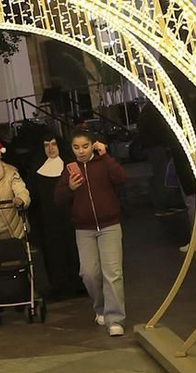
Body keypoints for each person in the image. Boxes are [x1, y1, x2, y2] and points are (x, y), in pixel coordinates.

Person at [57, 128, 128, 335]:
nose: (81, 151)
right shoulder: (69, 169)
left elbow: (121, 178)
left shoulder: (103, 163)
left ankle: (115, 319)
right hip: (84, 229)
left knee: (113, 273)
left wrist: (106, 156)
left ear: (93, 145)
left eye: (85, 146)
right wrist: (69, 187)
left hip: (110, 226)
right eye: (76, 147)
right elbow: (58, 199)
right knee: (89, 274)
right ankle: (101, 308)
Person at [32, 135, 81, 298]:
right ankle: (59, 286)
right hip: (48, 221)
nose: (51, 148)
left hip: (71, 218)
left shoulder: (70, 167)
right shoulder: (36, 171)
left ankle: (80, 285)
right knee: (54, 253)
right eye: (46, 145)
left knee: (74, 250)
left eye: (53, 144)